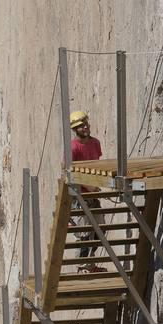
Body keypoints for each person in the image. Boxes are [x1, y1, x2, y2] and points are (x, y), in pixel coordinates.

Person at [69, 111, 105, 272]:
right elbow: (68, 172)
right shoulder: (73, 147)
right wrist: (86, 185)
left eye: (86, 124)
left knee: (99, 230)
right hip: (78, 196)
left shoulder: (95, 143)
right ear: (75, 129)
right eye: (81, 126)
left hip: (92, 193)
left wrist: (96, 184)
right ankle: (82, 267)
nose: (85, 127)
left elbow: (97, 165)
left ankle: (90, 264)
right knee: (84, 234)